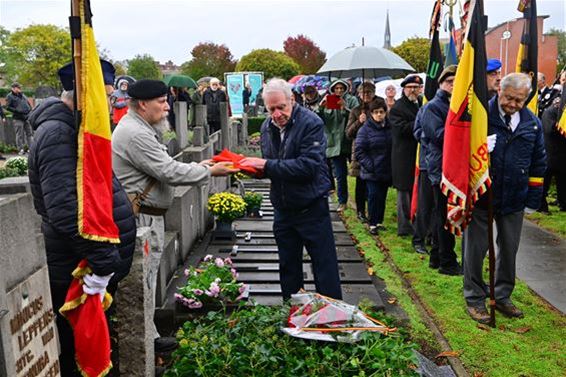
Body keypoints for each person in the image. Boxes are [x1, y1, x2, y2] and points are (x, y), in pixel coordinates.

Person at [27, 60, 136, 376]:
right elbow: (65, 208)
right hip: (78, 267)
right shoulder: (58, 134)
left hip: (91, 265)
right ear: (83, 93)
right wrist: (103, 261)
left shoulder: (78, 128)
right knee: (81, 355)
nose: (110, 103)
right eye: (105, 95)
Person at [112, 79, 237, 344]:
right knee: (142, 283)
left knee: (148, 281)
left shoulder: (140, 127)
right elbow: (167, 172)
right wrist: (209, 171)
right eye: (161, 102)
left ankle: (150, 336)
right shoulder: (135, 133)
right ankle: (146, 341)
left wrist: (200, 165)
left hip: (148, 215)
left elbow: (161, 165)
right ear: (143, 105)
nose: (167, 107)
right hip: (141, 219)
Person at [240, 78, 342, 300]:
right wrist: (254, 169)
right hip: (283, 207)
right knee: (288, 266)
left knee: (324, 265)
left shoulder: (311, 123)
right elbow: (274, 165)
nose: (277, 114)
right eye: (271, 109)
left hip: (311, 206)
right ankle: (293, 312)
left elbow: (308, 166)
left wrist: (266, 166)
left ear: (292, 100)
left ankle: (333, 315)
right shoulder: (268, 127)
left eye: (281, 107)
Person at [463, 73, 546, 323]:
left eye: (519, 100)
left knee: (509, 250)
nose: (512, 104)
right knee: (475, 250)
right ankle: (475, 298)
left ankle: (502, 296)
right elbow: (459, 150)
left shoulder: (532, 124)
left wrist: (533, 200)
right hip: (482, 196)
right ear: (500, 91)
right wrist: (476, 147)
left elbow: (538, 164)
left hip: (514, 198)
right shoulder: (480, 117)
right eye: (509, 97)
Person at [421, 65, 461, 276]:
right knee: (444, 214)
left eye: (456, 82)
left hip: (449, 165)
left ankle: (437, 257)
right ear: (441, 84)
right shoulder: (434, 107)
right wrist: (460, 126)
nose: (454, 86)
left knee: (441, 213)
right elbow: (438, 135)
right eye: (450, 82)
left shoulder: (452, 104)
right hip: (441, 166)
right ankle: (447, 260)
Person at [318, 79, 360, 212]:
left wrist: (345, 108)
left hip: (350, 140)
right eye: (336, 88)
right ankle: (342, 201)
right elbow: (321, 120)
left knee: (358, 172)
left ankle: (361, 201)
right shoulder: (329, 100)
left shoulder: (352, 100)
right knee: (340, 175)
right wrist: (321, 107)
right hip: (335, 144)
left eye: (342, 88)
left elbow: (356, 117)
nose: (339, 91)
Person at [389, 74, 423, 236]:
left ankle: (419, 224)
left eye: (416, 87)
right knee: (404, 194)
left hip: (419, 155)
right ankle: (404, 227)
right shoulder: (398, 108)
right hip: (403, 156)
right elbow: (400, 129)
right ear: (404, 89)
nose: (413, 90)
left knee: (419, 192)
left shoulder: (423, 103)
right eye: (410, 87)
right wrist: (420, 121)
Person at [354, 98, 392, 235]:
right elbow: (359, 151)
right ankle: (372, 223)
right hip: (372, 170)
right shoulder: (365, 130)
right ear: (371, 113)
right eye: (376, 112)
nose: (379, 115)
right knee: (373, 196)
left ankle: (379, 220)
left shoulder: (389, 127)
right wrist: (371, 166)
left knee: (382, 197)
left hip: (386, 168)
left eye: (381, 112)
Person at [347, 82, 380, 222]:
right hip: (360, 150)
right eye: (363, 92)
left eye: (369, 92)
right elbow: (348, 133)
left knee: (374, 184)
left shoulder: (379, 107)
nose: (366, 95)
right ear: (359, 94)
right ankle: (360, 211)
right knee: (361, 183)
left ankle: (374, 213)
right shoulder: (355, 110)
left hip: (376, 150)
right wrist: (359, 122)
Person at [539, 95, 566, 212]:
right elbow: (549, 129)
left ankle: (563, 204)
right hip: (550, 154)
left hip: (561, 156)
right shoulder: (549, 113)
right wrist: (560, 127)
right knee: (545, 183)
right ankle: (541, 205)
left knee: (563, 184)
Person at [5, 82, 33, 154]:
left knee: (29, 134)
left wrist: (30, 109)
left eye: (19, 87)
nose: (19, 88)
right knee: (19, 135)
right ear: (13, 88)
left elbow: (28, 103)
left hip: (26, 117)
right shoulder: (9, 96)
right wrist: (16, 110)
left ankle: (31, 148)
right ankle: (20, 149)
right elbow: (7, 107)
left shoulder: (22, 95)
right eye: (18, 87)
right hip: (18, 118)